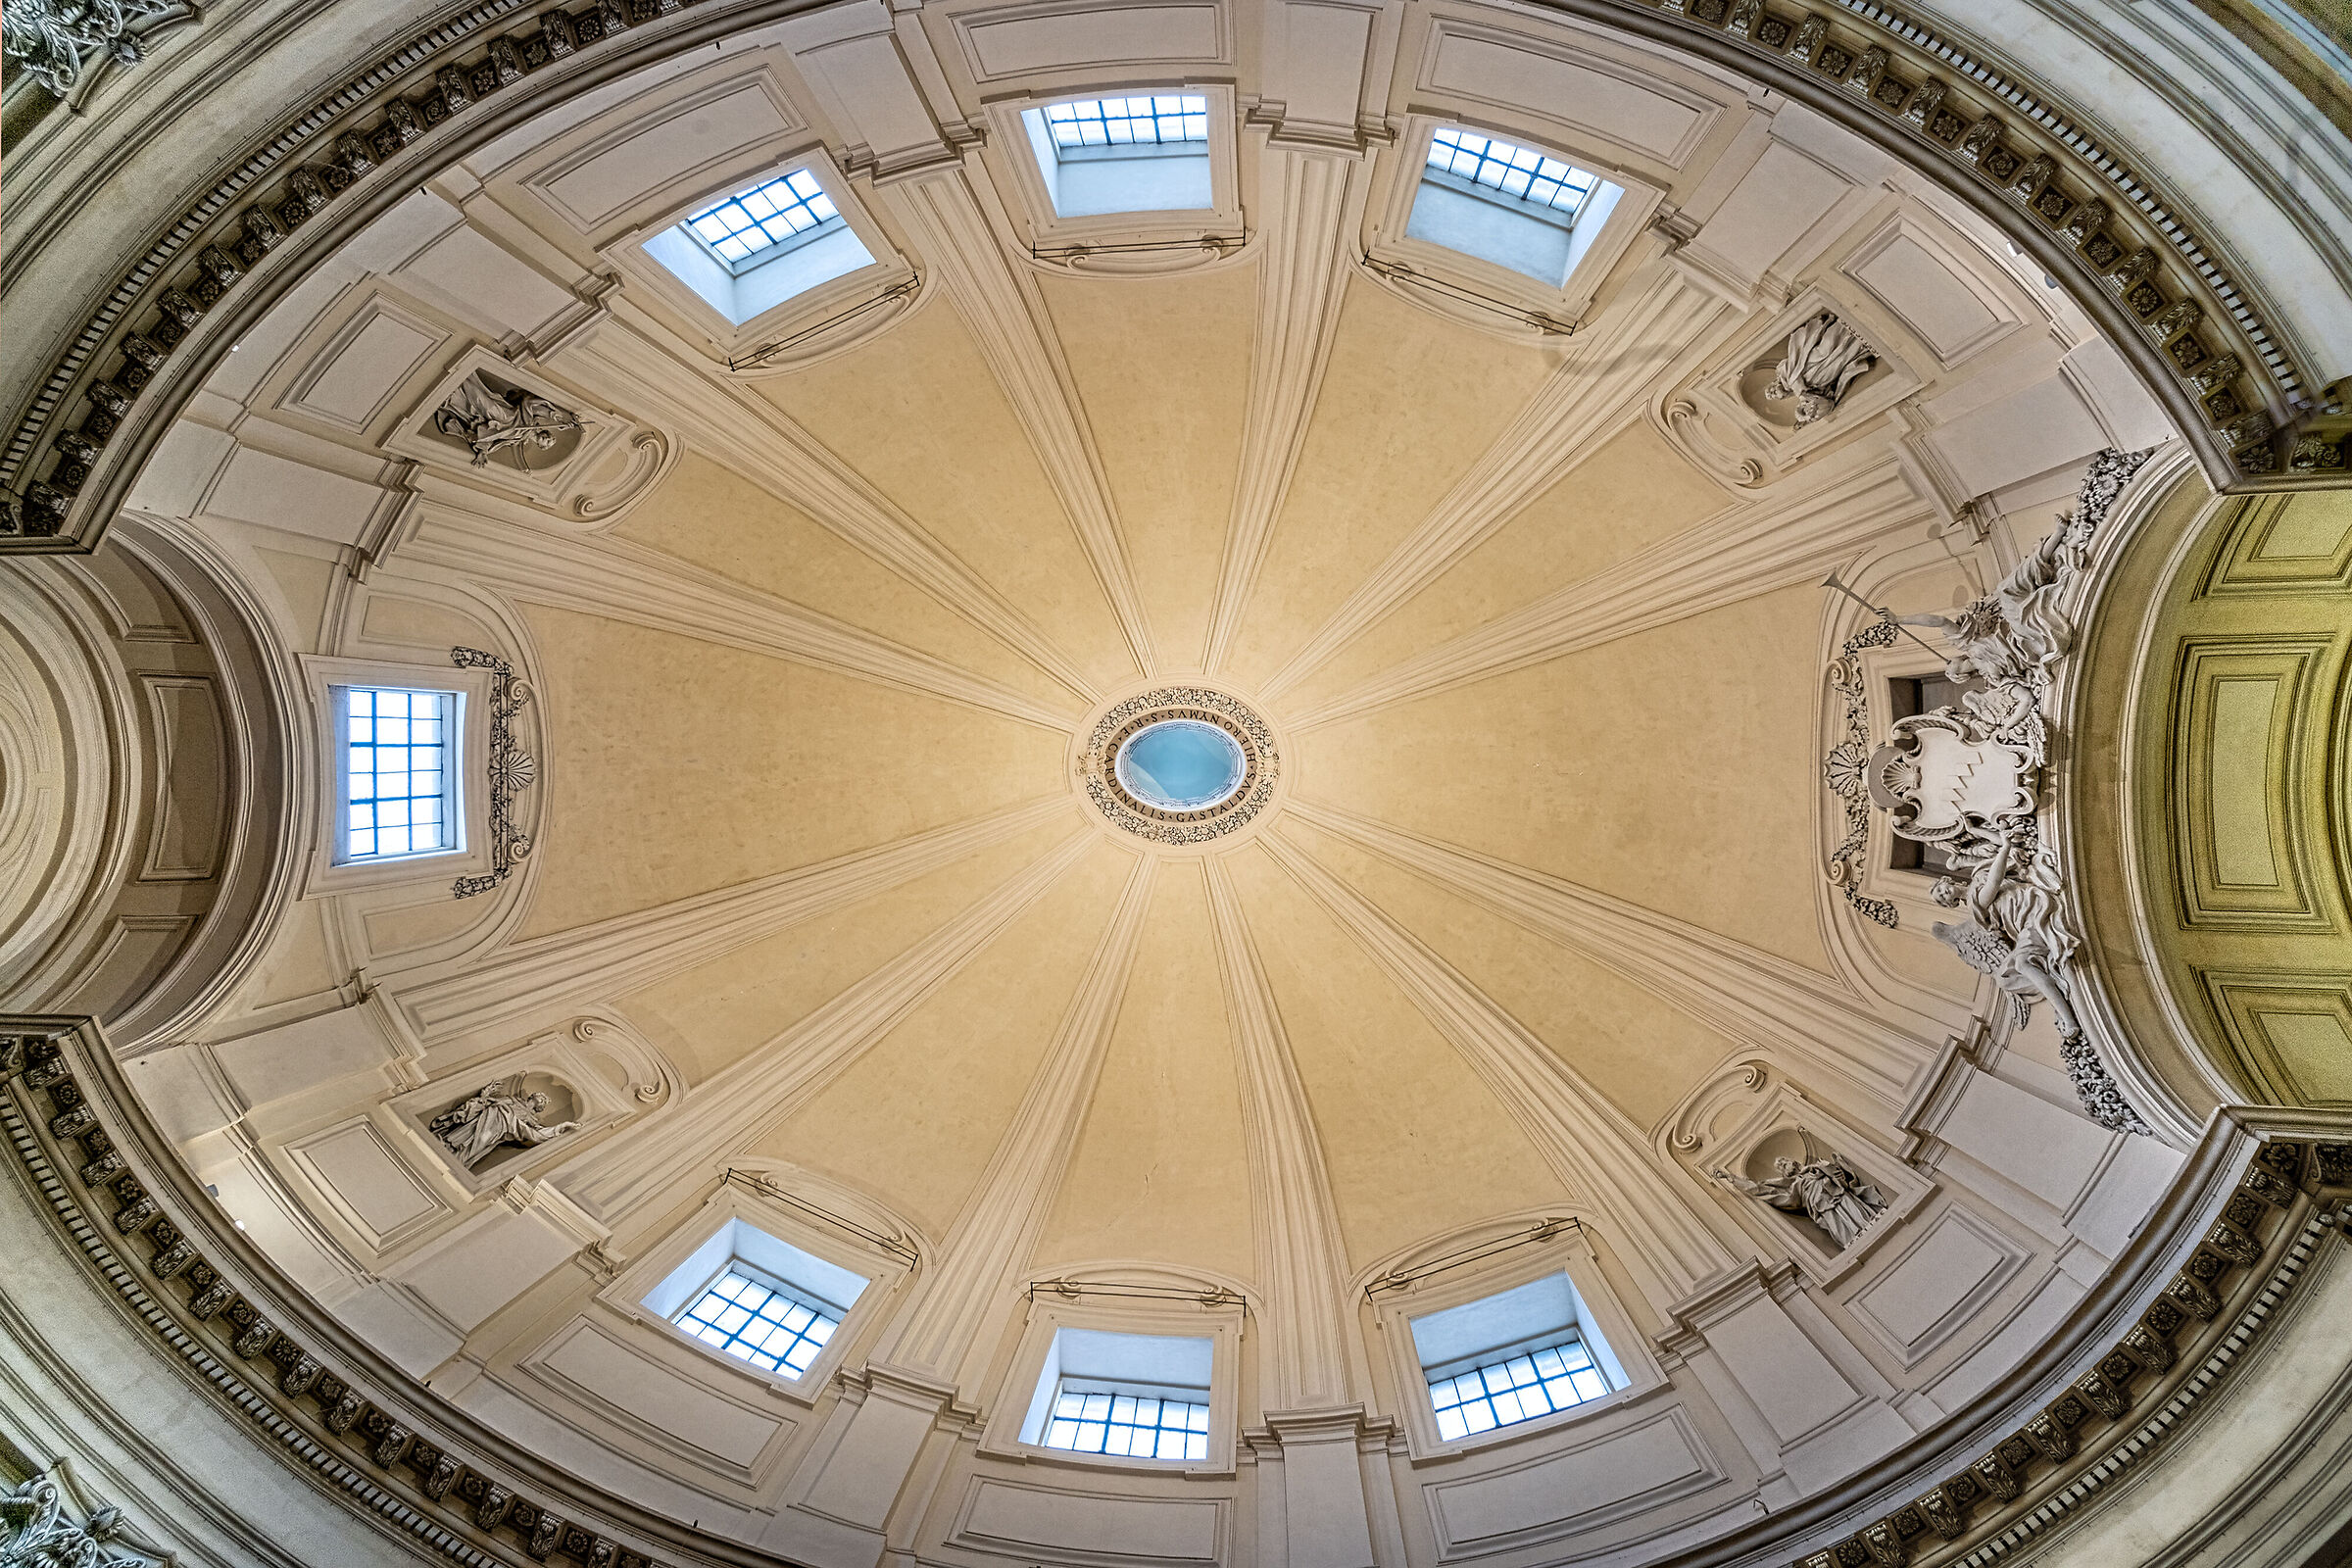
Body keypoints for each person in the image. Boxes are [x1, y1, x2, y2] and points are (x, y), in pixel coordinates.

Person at [1931, 828, 2082, 1038]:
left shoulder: (1978, 874)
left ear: (1948, 881)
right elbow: (1992, 886)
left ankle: (2067, 1018)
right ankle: (2059, 994)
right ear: (1951, 903)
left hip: (2032, 906)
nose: (1943, 893)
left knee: (2022, 964)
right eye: (1941, 897)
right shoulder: (1974, 909)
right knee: (2006, 977)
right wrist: (2005, 847)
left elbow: (2000, 848)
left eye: (1940, 889)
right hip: (2024, 924)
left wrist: (1977, 830)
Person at [1714, 1152, 1887, 1249]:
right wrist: (1732, 1178)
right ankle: (1854, 1237)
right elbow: (1764, 1191)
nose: (1784, 1165)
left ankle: (1867, 1223)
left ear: (1794, 1162)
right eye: (1781, 1166)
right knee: (1840, 1225)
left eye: (1785, 1162)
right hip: (1821, 1208)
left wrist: (1828, 1169)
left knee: (1853, 1211)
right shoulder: (1795, 1188)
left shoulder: (1815, 1169)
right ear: (1783, 1174)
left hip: (1838, 1194)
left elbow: (1841, 1176)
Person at [431, 371, 580, 468]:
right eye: (551, 437)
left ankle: (455, 395)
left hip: (492, 424)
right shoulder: (530, 423)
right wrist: (558, 418)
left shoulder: (516, 439)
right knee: (482, 401)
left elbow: (495, 438)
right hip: (505, 414)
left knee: (475, 408)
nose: (547, 438)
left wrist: (483, 451)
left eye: (547, 442)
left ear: (541, 446)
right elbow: (528, 402)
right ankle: (461, 382)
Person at [1762, 313, 1879, 425]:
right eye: (1776, 396)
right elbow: (1826, 402)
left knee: (1827, 345)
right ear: (1784, 397)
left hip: (1810, 363)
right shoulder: (1798, 391)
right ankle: (1857, 343)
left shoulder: (1783, 373)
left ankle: (1844, 329)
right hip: (1822, 377)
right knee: (1840, 360)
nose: (1776, 394)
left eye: (1773, 392)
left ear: (1774, 384)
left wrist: (1801, 394)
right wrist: (1806, 410)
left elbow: (1794, 376)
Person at [428, 1082, 578, 1168]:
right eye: (541, 1097)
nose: (541, 1099)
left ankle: (457, 1158)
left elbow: (538, 1134)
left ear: (540, 1108)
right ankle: (450, 1147)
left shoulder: (531, 1120)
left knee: (480, 1142)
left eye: (543, 1101)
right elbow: (488, 1103)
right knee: (469, 1134)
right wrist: (486, 1093)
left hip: (497, 1130)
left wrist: (562, 1125)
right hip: (486, 1118)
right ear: (533, 1096)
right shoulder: (512, 1100)